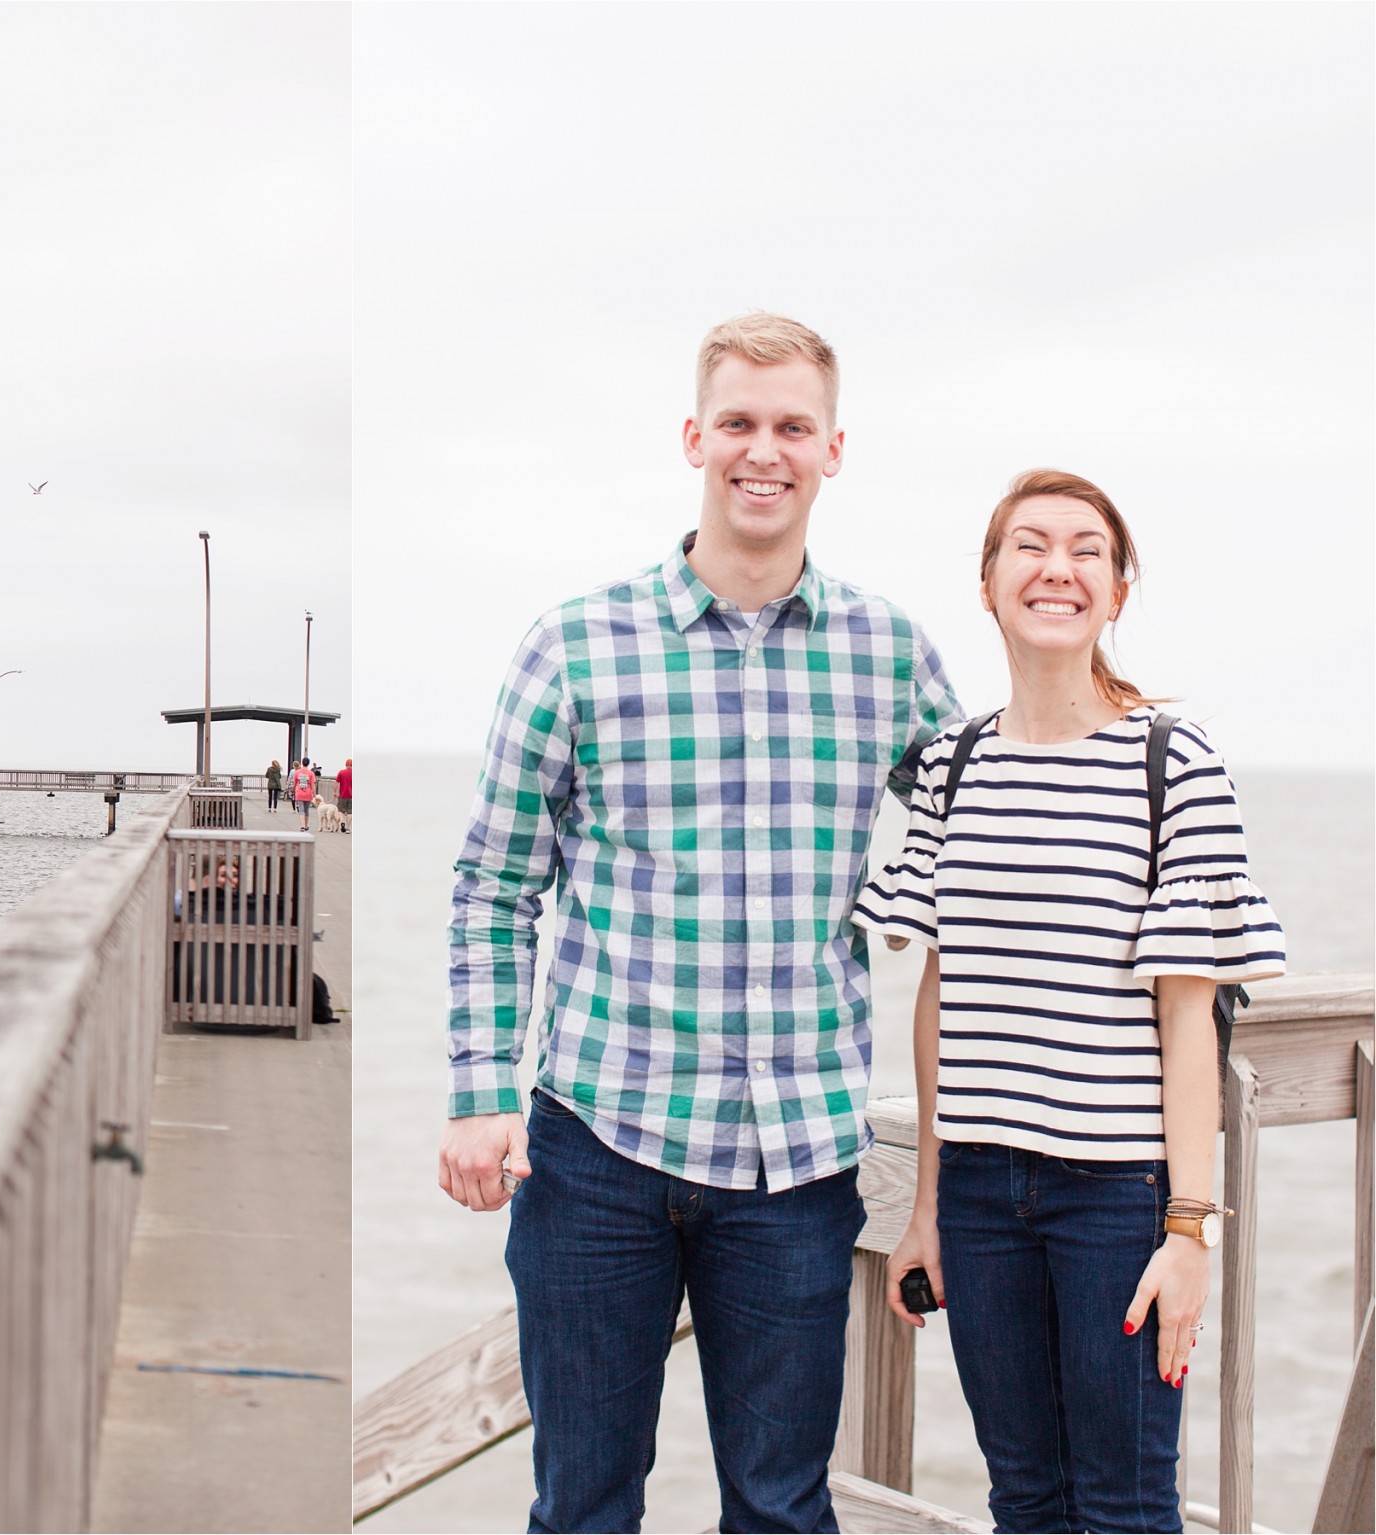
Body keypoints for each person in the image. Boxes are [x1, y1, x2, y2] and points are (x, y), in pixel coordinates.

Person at [442, 313, 959, 1533]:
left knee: (781, 1509)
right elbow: (491, 885)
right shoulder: (573, 644)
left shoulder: (888, 654)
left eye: (790, 426)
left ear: (833, 448)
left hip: (797, 1162)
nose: (761, 450)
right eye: (737, 422)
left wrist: (1161, 913)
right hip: (595, 1149)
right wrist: (477, 1087)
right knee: (582, 1504)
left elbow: (992, 832)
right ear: (693, 438)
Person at [853, 470, 1285, 1533]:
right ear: (989, 584)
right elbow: (940, 991)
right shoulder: (951, 765)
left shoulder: (1170, 763)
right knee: (1025, 1501)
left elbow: (1187, 1019)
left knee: (1127, 1503)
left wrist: (1186, 1230)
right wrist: (925, 1203)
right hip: (979, 1198)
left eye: (1086, 549)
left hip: (1115, 1198)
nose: (1057, 567)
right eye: (1029, 546)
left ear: (1116, 590)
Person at [289, 756, 317, 831]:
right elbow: (313, 784)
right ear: (308, 764)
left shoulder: (297, 772)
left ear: (302, 763)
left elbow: (294, 783)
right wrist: (314, 794)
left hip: (299, 793)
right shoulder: (311, 773)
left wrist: (293, 790)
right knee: (306, 810)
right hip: (308, 794)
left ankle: (302, 826)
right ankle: (306, 825)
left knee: (301, 810)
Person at [335, 758, 353, 831]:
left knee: (341, 810)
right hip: (352, 796)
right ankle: (348, 828)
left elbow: (336, 783)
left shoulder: (341, 772)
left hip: (342, 795)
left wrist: (334, 792)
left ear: (346, 765)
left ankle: (342, 821)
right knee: (350, 812)